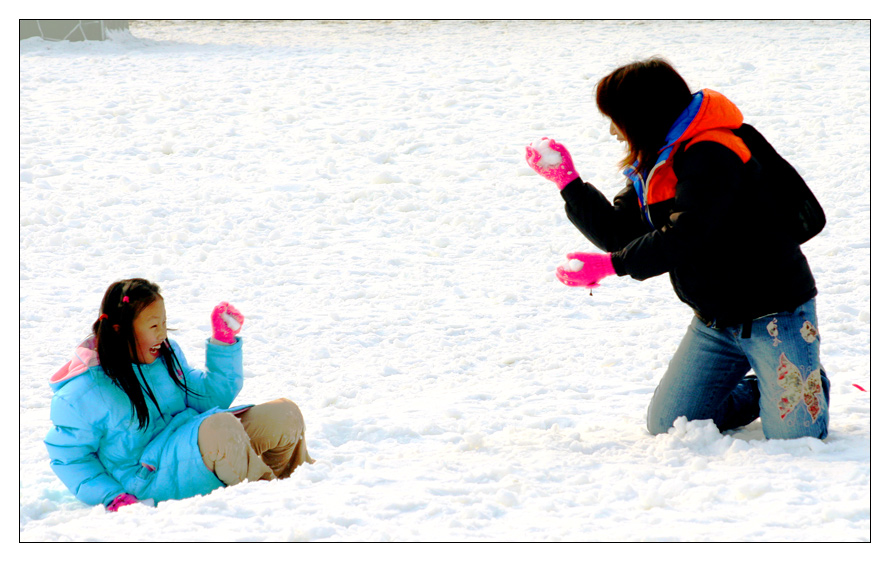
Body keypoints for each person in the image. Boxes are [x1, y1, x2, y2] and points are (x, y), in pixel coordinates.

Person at [526, 57, 829, 440]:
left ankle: (808, 383)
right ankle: (769, 387)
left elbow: (687, 234)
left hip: (774, 314)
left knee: (795, 440)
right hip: (715, 321)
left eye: (616, 117)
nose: (614, 132)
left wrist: (611, 266)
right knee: (669, 425)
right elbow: (621, 234)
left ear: (642, 113)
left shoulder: (713, 153)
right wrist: (569, 184)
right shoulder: (661, 158)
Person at [45, 278, 314, 512]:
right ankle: (276, 503)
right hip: (149, 477)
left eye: (164, 323)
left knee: (283, 414)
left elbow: (207, 399)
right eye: (153, 326)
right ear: (119, 329)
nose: (162, 334)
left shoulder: (165, 357)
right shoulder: (83, 393)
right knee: (220, 427)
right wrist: (111, 496)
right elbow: (70, 457)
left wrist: (223, 343)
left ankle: (297, 482)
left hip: (194, 447)